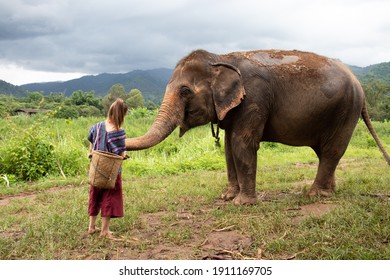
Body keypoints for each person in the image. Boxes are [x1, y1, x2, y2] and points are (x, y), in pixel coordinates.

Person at [87, 98, 128, 238]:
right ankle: (104, 231)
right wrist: (125, 155)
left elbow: (91, 143)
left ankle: (91, 227)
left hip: (96, 169)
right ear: (122, 115)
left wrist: (91, 152)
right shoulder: (119, 132)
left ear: (110, 110)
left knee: (95, 194)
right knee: (109, 197)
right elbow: (121, 153)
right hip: (111, 172)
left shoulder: (96, 127)